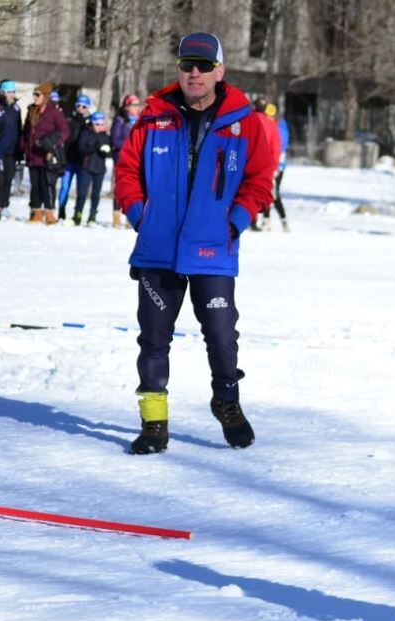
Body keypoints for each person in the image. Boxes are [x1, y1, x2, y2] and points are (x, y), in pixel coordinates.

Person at [114, 31, 275, 454]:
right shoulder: (153, 116)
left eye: (204, 66)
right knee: (153, 339)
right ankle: (154, 423)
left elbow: (260, 180)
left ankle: (227, 401)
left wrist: (235, 223)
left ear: (220, 71)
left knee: (222, 337)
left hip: (213, 250)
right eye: (188, 65)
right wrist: (140, 216)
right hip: (158, 250)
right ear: (179, 70)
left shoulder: (244, 122)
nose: (195, 73)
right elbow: (127, 171)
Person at [20, 82, 68, 224]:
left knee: (46, 184)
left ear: (45, 96)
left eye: (37, 95)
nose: (34, 97)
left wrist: (51, 144)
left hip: (47, 155)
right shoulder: (32, 110)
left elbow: (64, 131)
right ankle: (36, 213)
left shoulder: (54, 112)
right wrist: (23, 146)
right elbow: (26, 131)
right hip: (32, 154)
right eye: (34, 94)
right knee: (34, 185)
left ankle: (49, 213)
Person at [71, 109, 112, 226]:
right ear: (92, 123)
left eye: (101, 124)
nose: (99, 126)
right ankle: (77, 215)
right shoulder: (85, 132)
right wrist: (96, 146)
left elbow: (109, 153)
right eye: (97, 124)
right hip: (87, 167)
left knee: (95, 194)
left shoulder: (105, 135)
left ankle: (92, 216)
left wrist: (107, 151)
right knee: (82, 193)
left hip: (100, 169)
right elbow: (82, 149)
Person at [56, 93, 92, 219]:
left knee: (81, 190)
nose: (81, 108)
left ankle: (77, 213)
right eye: (79, 105)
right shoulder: (69, 120)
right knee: (65, 187)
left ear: (88, 107)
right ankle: (61, 210)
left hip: (83, 162)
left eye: (84, 106)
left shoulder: (91, 122)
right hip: (69, 160)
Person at [109, 93, 141, 228]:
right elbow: (115, 140)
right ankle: (116, 217)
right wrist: (131, 144)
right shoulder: (120, 119)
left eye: (137, 105)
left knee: (134, 188)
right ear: (126, 106)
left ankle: (130, 218)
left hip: (137, 159)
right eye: (133, 105)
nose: (136, 108)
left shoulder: (141, 119)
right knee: (121, 186)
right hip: (122, 158)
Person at [260, 102, 289, 232]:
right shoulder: (273, 125)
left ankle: (283, 221)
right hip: (273, 166)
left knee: (274, 194)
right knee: (268, 193)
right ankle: (267, 222)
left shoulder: (279, 128)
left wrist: (276, 167)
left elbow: (278, 148)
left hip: (277, 167)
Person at [0, 80, 21, 222]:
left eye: (13, 91)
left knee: (8, 179)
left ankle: (4, 206)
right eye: (9, 91)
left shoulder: (16, 108)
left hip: (12, 151)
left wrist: (20, 151)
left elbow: (19, 130)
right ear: (2, 92)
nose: (11, 94)